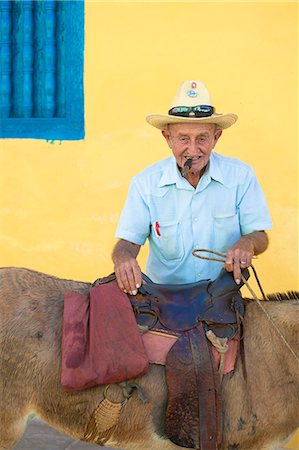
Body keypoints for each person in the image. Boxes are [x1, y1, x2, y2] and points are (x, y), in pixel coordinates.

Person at [112, 80, 272, 295]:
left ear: (216, 138)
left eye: (202, 138)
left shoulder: (240, 176)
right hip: (163, 301)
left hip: (222, 299)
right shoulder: (145, 184)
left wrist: (248, 242)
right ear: (168, 138)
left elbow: (260, 235)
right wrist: (123, 258)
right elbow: (128, 242)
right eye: (183, 139)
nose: (193, 149)